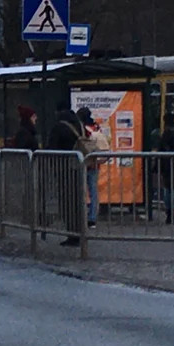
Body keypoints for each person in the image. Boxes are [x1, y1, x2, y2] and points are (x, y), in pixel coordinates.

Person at [46, 101, 85, 247]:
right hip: (78, 167)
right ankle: (79, 232)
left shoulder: (59, 127)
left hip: (64, 169)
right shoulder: (78, 125)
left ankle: (72, 234)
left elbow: (52, 148)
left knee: (66, 202)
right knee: (77, 201)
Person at [77, 107, 110, 228]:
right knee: (93, 191)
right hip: (94, 164)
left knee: (81, 191)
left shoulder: (80, 129)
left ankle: (82, 215)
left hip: (82, 163)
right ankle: (92, 217)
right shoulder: (97, 129)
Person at [156, 112, 174, 225]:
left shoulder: (165, 133)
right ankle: (173, 214)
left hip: (165, 163)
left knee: (167, 188)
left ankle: (168, 212)